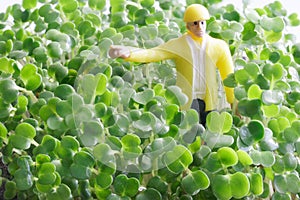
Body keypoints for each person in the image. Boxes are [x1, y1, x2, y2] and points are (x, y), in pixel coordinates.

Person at [109, 4, 234, 126]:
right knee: (189, 132)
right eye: (195, 23)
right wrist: (130, 53)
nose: (200, 27)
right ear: (188, 25)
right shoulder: (179, 44)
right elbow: (154, 53)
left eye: (202, 22)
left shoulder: (219, 46)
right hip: (187, 99)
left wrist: (232, 100)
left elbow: (228, 75)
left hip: (209, 100)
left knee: (208, 131)